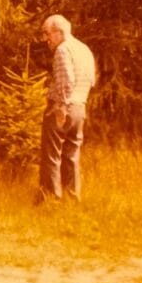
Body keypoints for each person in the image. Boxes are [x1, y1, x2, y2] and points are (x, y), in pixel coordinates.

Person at [39, 14, 96, 203]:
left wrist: (61, 106)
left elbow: (67, 80)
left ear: (58, 32)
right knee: (72, 155)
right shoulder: (84, 49)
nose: (45, 38)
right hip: (80, 107)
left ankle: (51, 200)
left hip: (62, 107)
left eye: (47, 33)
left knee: (52, 154)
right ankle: (72, 199)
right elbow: (91, 79)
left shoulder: (63, 50)